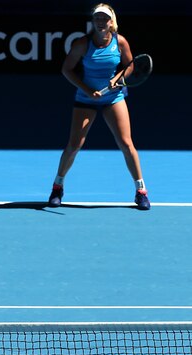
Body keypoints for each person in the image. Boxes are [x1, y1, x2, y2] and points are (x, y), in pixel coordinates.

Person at [47, 3, 151, 210]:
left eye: (105, 18)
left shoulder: (120, 42)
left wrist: (119, 79)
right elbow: (66, 69)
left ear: (112, 22)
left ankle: (141, 191)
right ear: (93, 22)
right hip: (86, 99)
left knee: (126, 143)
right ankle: (57, 187)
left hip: (114, 97)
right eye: (97, 18)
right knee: (74, 144)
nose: (101, 22)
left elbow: (130, 66)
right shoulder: (82, 44)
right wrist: (86, 89)